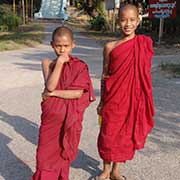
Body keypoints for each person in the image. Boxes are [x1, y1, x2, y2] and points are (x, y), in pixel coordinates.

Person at [95, 4, 154, 180]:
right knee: (108, 132)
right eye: (123, 20)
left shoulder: (143, 44)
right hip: (113, 98)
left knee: (124, 134)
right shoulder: (110, 47)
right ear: (117, 21)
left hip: (131, 99)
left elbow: (143, 74)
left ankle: (116, 170)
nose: (127, 24)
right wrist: (101, 100)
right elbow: (105, 75)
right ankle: (105, 169)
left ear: (138, 21)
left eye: (132, 20)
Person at [31, 26, 95, 180]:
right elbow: (50, 85)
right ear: (52, 45)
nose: (62, 50)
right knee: (43, 155)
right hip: (51, 120)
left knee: (62, 152)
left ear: (73, 44)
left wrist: (53, 94)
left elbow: (77, 93)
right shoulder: (48, 63)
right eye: (58, 46)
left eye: (66, 46)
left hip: (69, 120)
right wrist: (59, 63)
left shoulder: (80, 66)